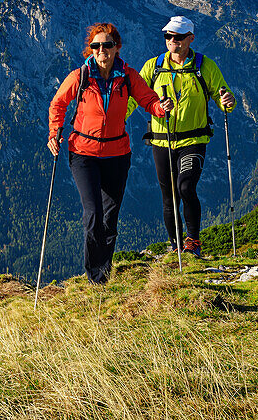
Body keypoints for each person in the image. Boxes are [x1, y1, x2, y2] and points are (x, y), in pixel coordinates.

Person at [48, 23, 171, 284]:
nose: (101, 50)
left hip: (117, 154)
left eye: (107, 45)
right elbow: (58, 103)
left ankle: (104, 270)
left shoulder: (127, 75)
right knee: (92, 214)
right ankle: (95, 277)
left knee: (110, 217)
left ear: (117, 47)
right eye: (96, 46)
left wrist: (161, 108)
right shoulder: (80, 76)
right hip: (83, 153)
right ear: (90, 49)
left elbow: (147, 99)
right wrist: (54, 132)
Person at [129, 15, 236, 258]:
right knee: (169, 196)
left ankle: (193, 241)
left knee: (186, 186)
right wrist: (116, 118)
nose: (171, 41)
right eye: (168, 36)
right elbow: (135, 97)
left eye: (177, 37)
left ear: (190, 39)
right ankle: (175, 245)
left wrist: (227, 101)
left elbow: (222, 95)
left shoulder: (204, 66)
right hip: (161, 140)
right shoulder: (153, 67)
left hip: (194, 141)